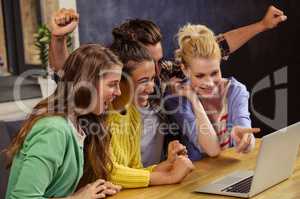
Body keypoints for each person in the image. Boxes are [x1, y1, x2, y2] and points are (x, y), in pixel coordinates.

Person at [49, 5, 287, 166]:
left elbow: (210, 48)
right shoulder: (107, 85)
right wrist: (59, 38)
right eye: (149, 64)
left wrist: (262, 25)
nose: (157, 69)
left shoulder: (161, 72)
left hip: (155, 173)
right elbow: (69, 72)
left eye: (159, 60)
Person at [3, 44, 123, 199]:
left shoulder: (79, 124)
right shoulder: (53, 129)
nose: (119, 92)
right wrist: (77, 198)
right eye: (113, 84)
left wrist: (95, 189)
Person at [100, 35, 194, 188]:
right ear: (120, 80)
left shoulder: (133, 113)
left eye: (152, 79)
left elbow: (135, 170)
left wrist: (169, 163)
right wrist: (169, 176)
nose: (151, 88)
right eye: (143, 81)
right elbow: (110, 172)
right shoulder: (101, 116)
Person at [164, 24, 261, 161]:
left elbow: (245, 132)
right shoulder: (177, 99)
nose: (209, 83)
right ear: (185, 70)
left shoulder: (235, 90)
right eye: (200, 76)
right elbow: (212, 150)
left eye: (215, 73)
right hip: (199, 177)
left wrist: (246, 140)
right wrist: (194, 100)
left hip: (232, 168)